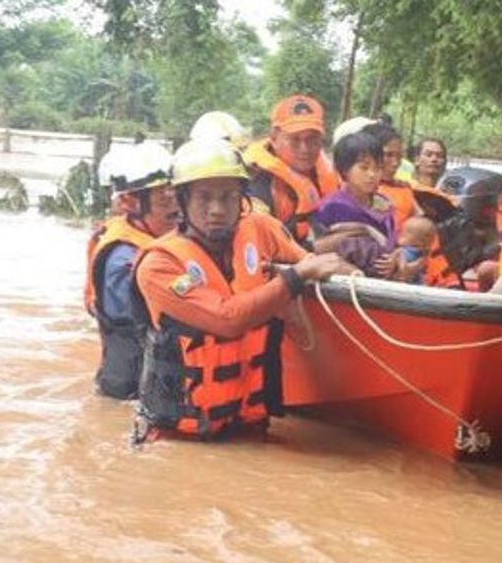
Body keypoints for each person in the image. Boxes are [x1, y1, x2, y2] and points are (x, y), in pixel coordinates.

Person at [132, 139, 351, 440]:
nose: (217, 209)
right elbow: (227, 319)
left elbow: (312, 261)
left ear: (242, 199)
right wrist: (294, 279)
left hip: (249, 427)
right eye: (204, 198)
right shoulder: (159, 264)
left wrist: (351, 273)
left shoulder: (260, 228)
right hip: (181, 438)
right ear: (182, 201)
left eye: (228, 197)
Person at [84, 143, 179, 399]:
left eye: (176, 192)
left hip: (151, 381)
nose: (175, 206)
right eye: (163, 197)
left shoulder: (155, 240)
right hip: (130, 388)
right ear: (130, 202)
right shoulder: (123, 258)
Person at [243, 95, 341, 245]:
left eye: (312, 139)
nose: (305, 149)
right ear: (274, 138)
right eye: (295, 139)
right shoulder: (258, 184)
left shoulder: (325, 171)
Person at [312, 131, 407, 280]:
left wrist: (395, 256)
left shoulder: (384, 206)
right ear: (344, 170)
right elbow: (316, 250)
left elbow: (393, 244)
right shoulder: (333, 207)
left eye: (378, 168)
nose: (372, 175)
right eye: (364, 168)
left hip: (384, 284)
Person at [395, 215, 438, 284]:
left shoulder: (407, 253)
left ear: (419, 242)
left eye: (403, 234)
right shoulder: (405, 253)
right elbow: (404, 270)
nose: (399, 235)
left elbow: (403, 270)